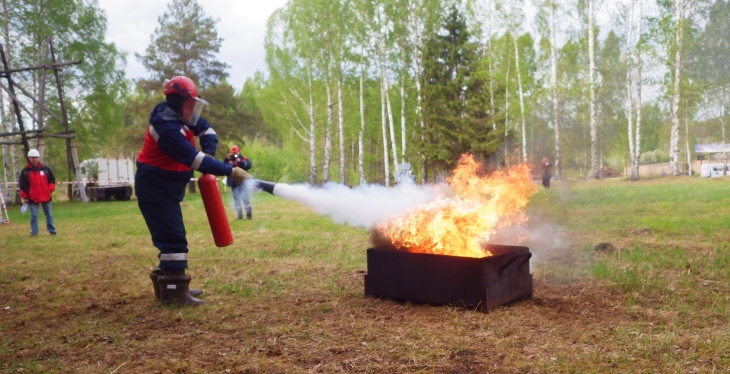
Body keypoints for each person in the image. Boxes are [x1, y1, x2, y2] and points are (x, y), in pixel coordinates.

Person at [136, 76, 250, 306]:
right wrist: (230, 171)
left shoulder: (180, 116)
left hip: (167, 189)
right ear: (177, 102)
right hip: (156, 188)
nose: (192, 112)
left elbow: (208, 131)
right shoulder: (165, 126)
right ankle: (173, 293)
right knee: (173, 240)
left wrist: (208, 152)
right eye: (189, 105)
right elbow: (194, 160)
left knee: (172, 236)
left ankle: (170, 286)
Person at [18, 149, 56, 236]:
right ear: (29, 158)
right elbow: (22, 185)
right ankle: (34, 232)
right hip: (32, 197)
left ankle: (52, 230)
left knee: (49, 214)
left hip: (45, 196)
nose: (34, 159)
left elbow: (52, 180)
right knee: (34, 215)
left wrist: (50, 189)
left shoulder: (45, 169)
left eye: (36, 157)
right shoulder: (25, 171)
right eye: (32, 157)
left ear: (38, 158)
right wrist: (25, 197)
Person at [224, 145, 253, 220]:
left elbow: (248, 166)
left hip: (243, 182)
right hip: (233, 183)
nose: (234, 154)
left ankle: (249, 216)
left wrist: (240, 162)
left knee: (245, 199)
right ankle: (239, 216)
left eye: (235, 153)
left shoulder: (244, 159)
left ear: (239, 152)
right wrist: (226, 159)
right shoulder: (229, 160)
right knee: (236, 200)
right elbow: (223, 167)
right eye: (233, 153)